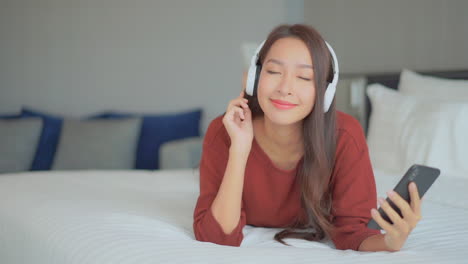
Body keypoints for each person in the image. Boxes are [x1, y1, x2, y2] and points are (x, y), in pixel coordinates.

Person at [193, 24, 422, 252]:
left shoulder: (345, 135)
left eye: (304, 77)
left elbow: (355, 233)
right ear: (254, 78)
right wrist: (240, 150)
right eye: (273, 72)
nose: (285, 88)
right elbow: (216, 237)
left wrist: (390, 242)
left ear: (325, 91)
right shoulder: (226, 129)